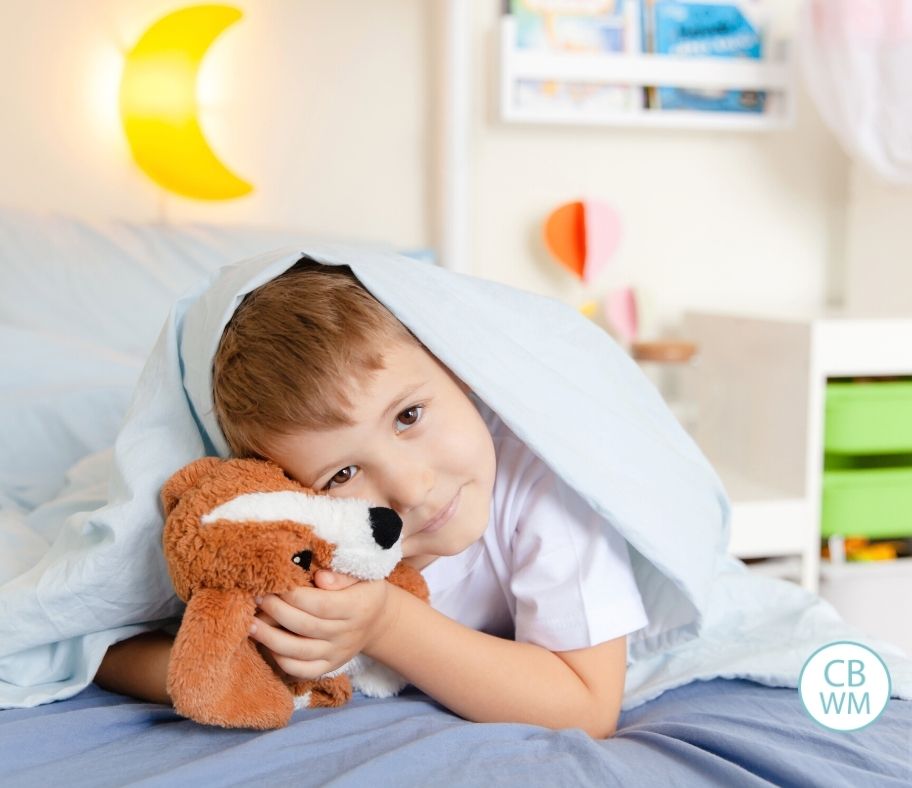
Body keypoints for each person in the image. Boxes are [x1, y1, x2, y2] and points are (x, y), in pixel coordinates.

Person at [95, 261, 648, 738]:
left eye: (409, 416)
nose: (411, 489)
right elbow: (107, 652)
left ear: (458, 368)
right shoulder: (303, 539)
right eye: (342, 475)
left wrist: (387, 625)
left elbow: (589, 706)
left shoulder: (546, 483)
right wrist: (238, 661)